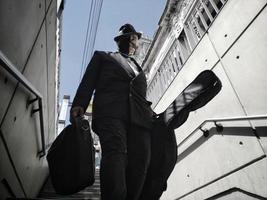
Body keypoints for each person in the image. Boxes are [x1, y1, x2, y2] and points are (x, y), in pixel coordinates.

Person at [70, 24, 153, 200]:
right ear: (121, 41)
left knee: (141, 160)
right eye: (129, 38)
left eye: (134, 38)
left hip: (139, 120)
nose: (132, 41)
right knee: (116, 154)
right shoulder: (103, 57)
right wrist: (79, 104)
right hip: (110, 114)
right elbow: (88, 81)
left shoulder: (138, 67)